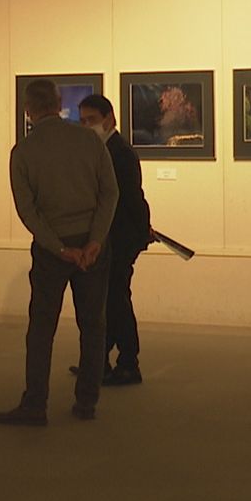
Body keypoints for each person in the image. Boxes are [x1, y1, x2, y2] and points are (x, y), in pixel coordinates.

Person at [0, 78, 119, 425]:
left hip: (52, 251)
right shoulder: (88, 140)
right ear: (59, 102)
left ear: (28, 110)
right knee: (93, 324)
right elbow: (110, 193)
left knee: (41, 327)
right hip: (93, 247)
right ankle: (87, 401)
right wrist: (95, 240)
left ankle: (35, 403)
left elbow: (27, 210)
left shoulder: (24, 151)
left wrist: (59, 247)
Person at [79, 94, 151, 385]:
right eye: (82, 121)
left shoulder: (120, 152)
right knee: (109, 300)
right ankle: (101, 360)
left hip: (121, 237)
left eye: (92, 120)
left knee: (116, 300)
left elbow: (131, 198)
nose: (87, 126)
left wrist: (141, 231)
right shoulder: (103, 150)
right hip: (110, 235)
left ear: (109, 119)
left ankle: (128, 362)